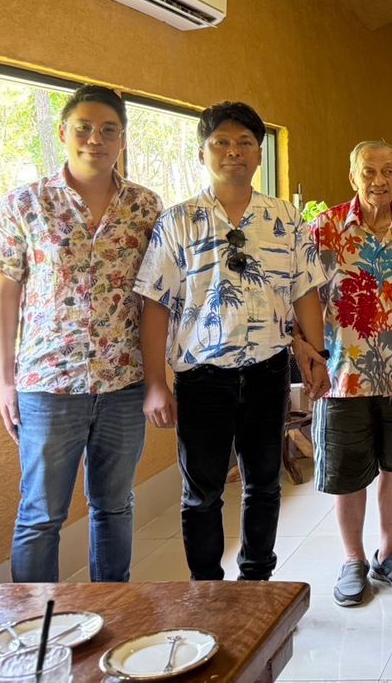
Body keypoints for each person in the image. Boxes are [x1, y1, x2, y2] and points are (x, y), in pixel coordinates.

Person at [136, 101, 330, 582]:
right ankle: (206, 588)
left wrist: (317, 354)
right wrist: (155, 383)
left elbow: (305, 289)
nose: (233, 151)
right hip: (201, 377)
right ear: (202, 153)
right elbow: (156, 304)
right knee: (201, 492)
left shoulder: (285, 217)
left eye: (245, 142)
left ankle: (256, 581)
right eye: (220, 142)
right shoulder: (178, 220)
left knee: (264, 484)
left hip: (267, 371)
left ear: (259, 154)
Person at [0, 85, 162, 582]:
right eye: (83, 128)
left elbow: (156, 299)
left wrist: (155, 379)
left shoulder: (145, 207)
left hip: (123, 384)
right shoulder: (26, 204)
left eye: (108, 130)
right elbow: (2, 297)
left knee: (114, 506)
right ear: (63, 132)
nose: (95, 139)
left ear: (122, 139)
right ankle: (33, 622)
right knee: (41, 516)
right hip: (48, 385)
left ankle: (112, 611)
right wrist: (5, 382)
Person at [307, 140, 392, 606]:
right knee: (347, 472)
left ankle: (389, 553)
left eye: (387, 171)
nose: (378, 180)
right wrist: (310, 355)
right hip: (343, 374)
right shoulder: (324, 229)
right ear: (352, 177)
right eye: (368, 171)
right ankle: (353, 559)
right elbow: (305, 296)